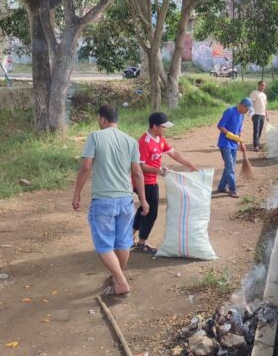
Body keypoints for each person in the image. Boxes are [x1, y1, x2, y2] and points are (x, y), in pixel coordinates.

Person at [72, 105, 148, 297]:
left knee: (104, 245)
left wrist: (77, 193)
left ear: (103, 119)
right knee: (123, 242)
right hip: (126, 200)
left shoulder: (95, 137)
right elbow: (138, 172)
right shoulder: (130, 141)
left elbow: (86, 167)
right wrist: (143, 200)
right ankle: (117, 277)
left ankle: (121, 282)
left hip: (103, 201)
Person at [132, 112, 198, 254]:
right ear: (155, 126)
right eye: (163, 126)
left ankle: (129, 236)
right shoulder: (144, 142)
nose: (165, 129)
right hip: (144, 182)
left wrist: (190, 165)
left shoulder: (160, 138)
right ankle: (142, 243)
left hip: (152, 179)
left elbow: (173, 153)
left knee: (143, 208)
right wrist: (158, 170)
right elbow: (140, 166)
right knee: (151, 212)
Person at [217, 98, 251, 198]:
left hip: (234, 144)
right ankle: (233, 189)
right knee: (230, 167)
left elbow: (239, 131)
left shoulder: (242, 115)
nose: (247, 111)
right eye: (247, 109)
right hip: (225, 143)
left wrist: (241, 143)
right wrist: (230, 135)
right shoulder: (230, 111)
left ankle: (222, 186)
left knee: (230, 166)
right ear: (243, 105)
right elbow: (220, 126)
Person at [249, 81, 268, 152]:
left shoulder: (264, 95)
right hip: (256, 114)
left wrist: (266, 114)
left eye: (264, 86)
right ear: (258, 85)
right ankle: (255, 145)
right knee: (256, 130)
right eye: (261, 85)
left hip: (262, 114)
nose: (263, 87)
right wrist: (251, 113)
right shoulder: (254, 93)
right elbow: (251, 103)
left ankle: (257, 143)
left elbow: (265, 105)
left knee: (260, 130)